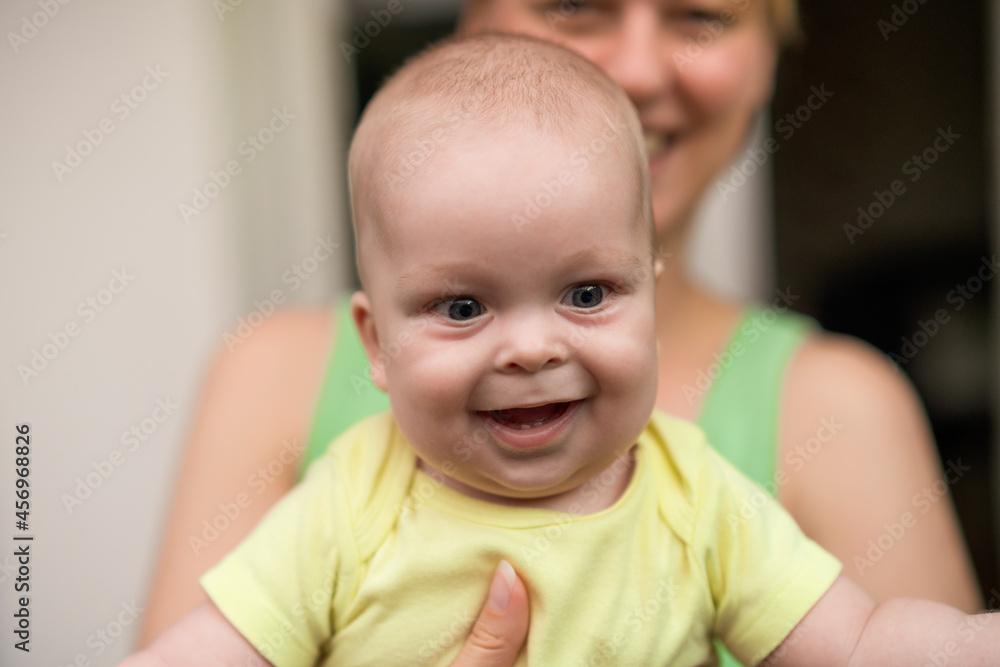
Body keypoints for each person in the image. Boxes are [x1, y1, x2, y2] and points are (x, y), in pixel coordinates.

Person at [137, 0, 981, 660]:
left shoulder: (698, 494)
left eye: (585, 293)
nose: (533, 347)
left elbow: (865, 643)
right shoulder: (350, 498)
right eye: (463, 307)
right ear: (374, 345)